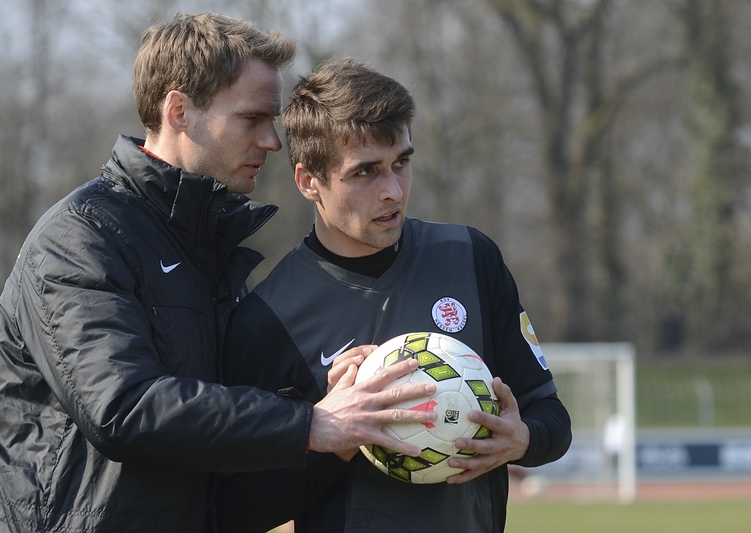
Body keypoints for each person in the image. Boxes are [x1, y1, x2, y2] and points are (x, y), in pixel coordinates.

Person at [0, 17, 438, 533]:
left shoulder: (210, 250)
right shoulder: (81, 236)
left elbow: (226, 496)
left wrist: (336, 419)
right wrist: (314, 422)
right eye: (252, 119)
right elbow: (122, 406)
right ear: (178, 111)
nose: (273, 141)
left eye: (273, 120)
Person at [218, 57, 572, 533]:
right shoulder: (267, 318)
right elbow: (238, 510)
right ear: (309, 182)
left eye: (401, 163)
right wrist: (335, 434)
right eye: (365, 172)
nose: (392, 191)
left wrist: (523, 440)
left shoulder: (469, 256)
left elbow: (551, 417)